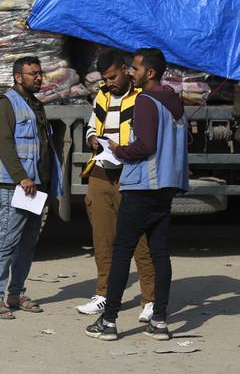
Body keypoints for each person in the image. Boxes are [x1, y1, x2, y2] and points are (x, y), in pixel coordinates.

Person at [86, 48, 189, 341]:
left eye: (135, 68)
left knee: (121, 253)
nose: (131, 72)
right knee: (160, 254)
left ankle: (108, 322)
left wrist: (118, 149)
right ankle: (159, 320)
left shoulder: (146, 101)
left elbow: (144, 147)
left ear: (151, 72)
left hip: (142, 185)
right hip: (166, 187)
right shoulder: (174, 101)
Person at [75, 49, 156, 320]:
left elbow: (145, 138)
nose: (108, 83)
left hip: (129, 174)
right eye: (105, 79)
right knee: (102, 238)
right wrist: (92, 139)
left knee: (139, 240)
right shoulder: (101, 95)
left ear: (125, 70)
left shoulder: (141, 98)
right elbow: (91, 125)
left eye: (112, 77)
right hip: (100, 171)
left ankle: (150, 300)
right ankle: (104, 294)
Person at [0, 56, 63, 320]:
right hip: (17, 185)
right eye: (33, 74)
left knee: (28, 242)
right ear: (18, 77)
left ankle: (16, 294)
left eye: (40, 73)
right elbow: (4, 145)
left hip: (37, 185)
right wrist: (21, 177)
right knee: (8, 240)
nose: (39, 77)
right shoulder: (6, 104)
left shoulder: (35, 104)